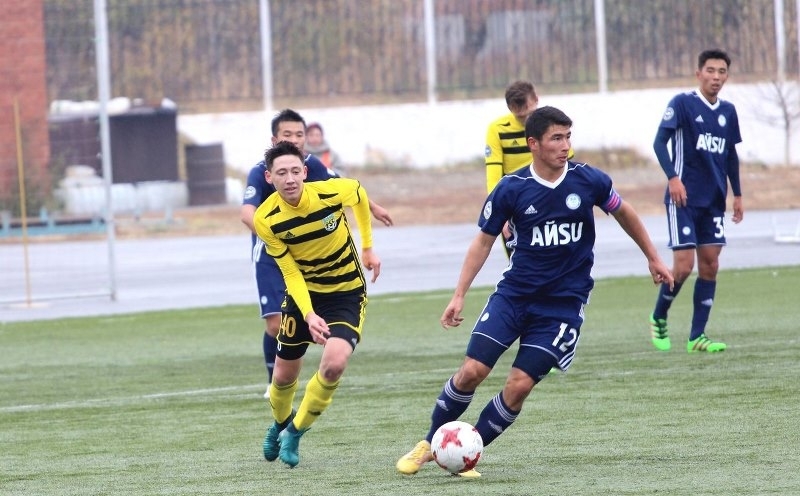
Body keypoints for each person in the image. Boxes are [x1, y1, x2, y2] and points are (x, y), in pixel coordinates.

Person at [396, 106, 673, 477]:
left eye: (568, 137)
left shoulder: (588, 180)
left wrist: (653, 257)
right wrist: (459, 294)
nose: (565, 146)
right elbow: (482, 242)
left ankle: (467, 453)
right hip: (514, 297)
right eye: (556, 138)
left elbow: (625, 212)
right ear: (534, 144)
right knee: (472, 371)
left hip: (562, 308)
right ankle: (430, 442)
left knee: (519, 385)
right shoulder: (511, 188)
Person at [240, 109, 392, 400]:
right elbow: (247, 213)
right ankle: (273, 380)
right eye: (287, 134)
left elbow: (346, 188)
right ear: (274, 139)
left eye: (299, 134)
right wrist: (282, 235)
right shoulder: (261, 172)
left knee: (307, 315)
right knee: (275, 323)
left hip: (310, 256)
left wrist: (372, 207)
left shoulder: (311, 166)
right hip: (273, 253)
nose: (295, 139)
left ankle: (309, 361)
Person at [254, 140, 381, 468]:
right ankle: (280, 423)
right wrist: (309, 314)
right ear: (269, 177)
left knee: (334, 364)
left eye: (295, 171)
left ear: (305, 172)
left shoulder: (330, 192)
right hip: (304, 295)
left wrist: (368, 246)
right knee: (283, 376)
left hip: (346, 293)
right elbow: (290, 272)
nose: (290, 179)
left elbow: (359, 193)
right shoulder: (265, 218)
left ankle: (295, 431)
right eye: (282, 173)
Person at [648, 49, 743, 354]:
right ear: (698, 73)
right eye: (711, 70)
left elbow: (730, 155)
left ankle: (697, 336)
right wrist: (673, 178)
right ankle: (659, 316)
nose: (716, 77)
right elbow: (659, 142)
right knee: (683, 266)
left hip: (713, 200)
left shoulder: (728, 111)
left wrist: (738, 194)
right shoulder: (682, 104)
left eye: (722, 72)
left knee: (711, 265)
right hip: (684, 199)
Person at [485, 80, 573, 257]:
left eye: (530, 114)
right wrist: (499, 214)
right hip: (516, 201)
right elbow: (493, 176)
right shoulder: (497, 129)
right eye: (520, 117)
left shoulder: (552, 126)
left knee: (561, 258)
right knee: (519, 262)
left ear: (536, 100)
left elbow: (568, 168)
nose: (527, 121)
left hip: (550, 197)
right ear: (510, 108)